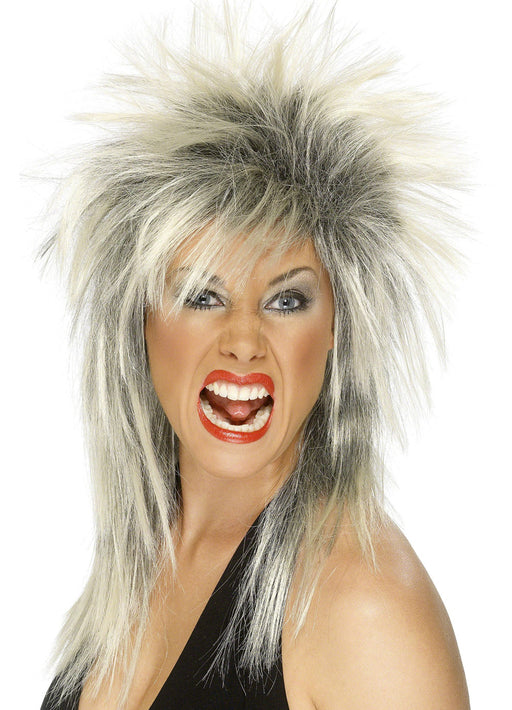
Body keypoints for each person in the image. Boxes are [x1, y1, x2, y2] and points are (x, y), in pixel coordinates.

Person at [40, 4, 470, 709]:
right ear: (141, 320)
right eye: (203, 295)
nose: (243, 340)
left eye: (287, 299)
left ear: (336, 326)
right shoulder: (143, 559)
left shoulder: (364, 607)